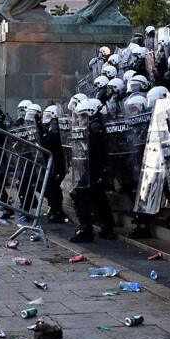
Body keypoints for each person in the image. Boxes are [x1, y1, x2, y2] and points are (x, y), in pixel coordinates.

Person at [69, 98, 115, 242]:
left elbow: (94, 148)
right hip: (96, 168)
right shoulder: (96, 123)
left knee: (78, 193)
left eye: (83, 116)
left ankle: (86, 230)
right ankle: (107, 228)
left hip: (97, 168)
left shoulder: (95, 126)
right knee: (97, 196)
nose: (81, 119)